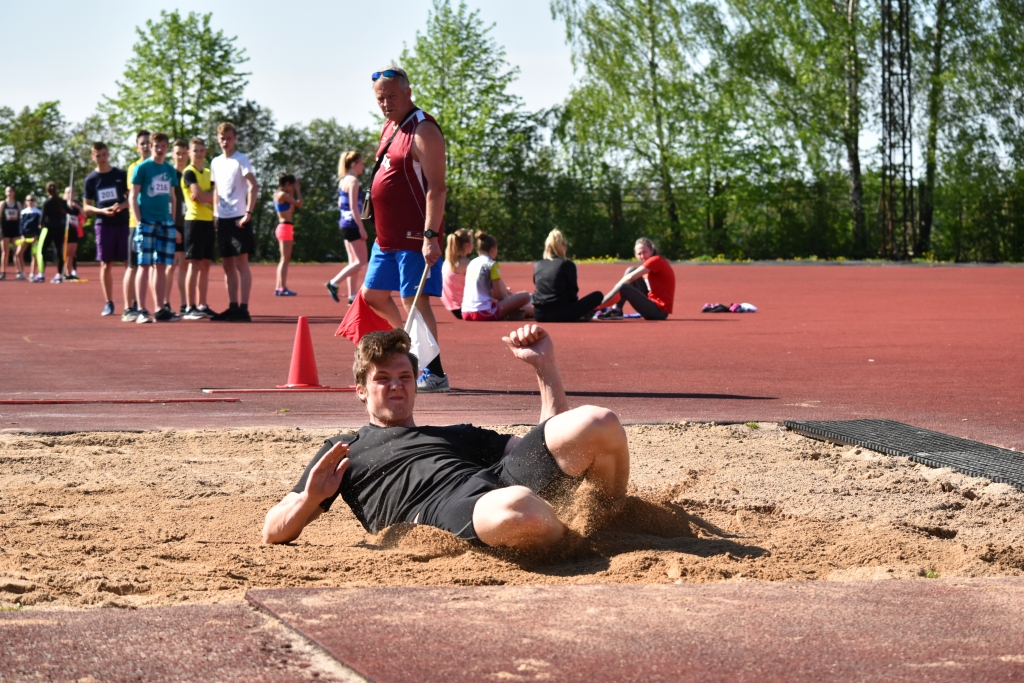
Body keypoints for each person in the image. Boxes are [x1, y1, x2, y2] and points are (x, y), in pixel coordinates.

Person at [262, 324, 631, 551]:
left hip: (494, 481)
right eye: (382, 378)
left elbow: (546, 450)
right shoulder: (345, 449)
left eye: (404, 377)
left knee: (599, 421)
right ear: (360, 390)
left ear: (415, 384)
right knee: (517, 507)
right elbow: (273, 531)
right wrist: (310, 498)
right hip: (433, 511)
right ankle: (577, 542)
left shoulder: (457, 434)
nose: (395, 386)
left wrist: (544, 367)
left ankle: (607, 517)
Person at [360, 66, 450, 392]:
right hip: (386, 236)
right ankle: (413, 347)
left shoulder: (423, 129)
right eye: (380, 98)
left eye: (391, 96)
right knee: (372, 294)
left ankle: (434, 371)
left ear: (408, 92)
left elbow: (437, 188)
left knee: (415, 299)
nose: (385, 103)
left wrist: (430, 235)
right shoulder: (390, 127)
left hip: (414, 234)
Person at [210, 122, 258, 322]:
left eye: (228, 138)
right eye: (222, 138)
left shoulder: (241, 159)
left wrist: (248, 212)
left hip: (239, 218)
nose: (225, 142)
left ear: (234, 139)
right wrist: (215, 213)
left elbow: (253, 185)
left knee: (242, 264)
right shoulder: (215, 162)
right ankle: (232, 306)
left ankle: (244, 309)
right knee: (227, 264)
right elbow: (216, 190)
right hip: (223, 218)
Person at [129, 131, 179, 323]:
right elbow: (133, 196)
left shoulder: (170, 170)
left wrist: (172, 223)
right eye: (156, 146)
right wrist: (139, 219)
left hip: (165, 223)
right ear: (151, 146)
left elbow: (173, 199)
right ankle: (141, 309)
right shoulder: (142, 168)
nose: (159, 149)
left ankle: (160, 309)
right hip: (146, 222)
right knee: (144, 264)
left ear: (167, 148)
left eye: (163, 146)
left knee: (161, 267)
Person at [83, 141, 130, 316]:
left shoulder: (120, 174)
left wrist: (122, 207)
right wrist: (101, 211)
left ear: (108, 154)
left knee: (129, 263)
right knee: (105, 264)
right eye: (97, 155)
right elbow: (86, 206)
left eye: (103, 154)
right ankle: (109, 302)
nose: (101, 158)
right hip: (103, 224)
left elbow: (131, 198)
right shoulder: (90, 179)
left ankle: (130, 303)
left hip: (123, 223)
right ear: (92, 157)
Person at [180, 137, 218, 320]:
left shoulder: (209, 173)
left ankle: (202, 304)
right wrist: (206, 196)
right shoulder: (189, 172)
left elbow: (217, 195)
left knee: (205, 265)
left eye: (201, 150)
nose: (199, 154)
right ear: (190, 153)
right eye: (195, 151)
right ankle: (190, 306)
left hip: (208, 220)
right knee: (194, 265)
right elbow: (199, 194)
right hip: (194, 221)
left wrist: (206, 197)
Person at [532, 229, 603, 323]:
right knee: (598, 295)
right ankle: (581, 316)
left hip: (539, 314)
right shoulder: (567, 264)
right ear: (562, 247)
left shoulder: (538, 264)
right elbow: (572, 292)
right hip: (561, 313)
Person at [597, 237, 675, 321]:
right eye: (639, 254)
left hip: (658, 312)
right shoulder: (652, 263)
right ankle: (617, 310)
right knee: (631, 270)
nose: (642, 256)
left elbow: (630, 278)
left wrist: (616, 288)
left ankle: (594, 308)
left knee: (624, 286)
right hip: (652, 303)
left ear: (652, 250)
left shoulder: (656, 260)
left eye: (645, 252)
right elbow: (631, 275)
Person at [461, 231, 533, 321]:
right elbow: (499, 295)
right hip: (482, 311)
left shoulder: (472, 263)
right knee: (525, 296)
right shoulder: (491, 264)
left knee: (514, 303)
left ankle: (517, 312)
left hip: (465, 311)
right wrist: (509, 296)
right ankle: (535, 311)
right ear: (492, 249)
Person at [326, 152, 368, 304]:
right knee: (362, 262)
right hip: (352, 224)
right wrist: (361, 227)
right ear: (353, 164)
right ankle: (334, 282)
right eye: (361, 163)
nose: (363, 166)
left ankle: (352, 296)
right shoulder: (354, 182)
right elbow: (353, 206)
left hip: (344, 223)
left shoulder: (343, 181)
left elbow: (340, 204)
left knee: (354, 262)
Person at [122, 131, 152, 321]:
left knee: (153, 266)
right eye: (142, 143)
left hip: (156, 223)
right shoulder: (134, 167)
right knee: (134, 265)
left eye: (149, 143)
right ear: (137, 147)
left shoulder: (160, 167)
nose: (146, 146)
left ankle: (156, 306)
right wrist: (139, 218)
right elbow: (132, 195)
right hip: (137, 223)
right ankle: (128, 308)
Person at [164, 139, 189, 314]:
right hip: (172, 224)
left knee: (185, 266)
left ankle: (185, 304)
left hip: (189, 223)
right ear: (172, 154)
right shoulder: (168, 174)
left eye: (183, 153)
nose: (180, 156)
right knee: (170, 265)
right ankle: (165, 303)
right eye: (177, 153)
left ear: (188, 153)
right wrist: (171, 226)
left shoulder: (190, 173)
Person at [273, 173, 303, 296]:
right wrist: (298, 190)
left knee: (284, 259)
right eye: (291, 185)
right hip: (285, 227)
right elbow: (299, 204)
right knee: (285, 260)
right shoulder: (282, 195)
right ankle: (282, 287)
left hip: (285, 227)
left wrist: (292, 192)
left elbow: (292, 209)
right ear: (287, 184)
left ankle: (280, 287)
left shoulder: (280, 194)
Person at [440, 229, 472, 319]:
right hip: (465, 308)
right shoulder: (466, 263)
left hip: (454, 308)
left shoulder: (447, 262)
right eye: (472, 242)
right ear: (466, 245)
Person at [40, 182, 68, 283]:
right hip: (60, 228)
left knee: (43, 250)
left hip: (50, 229)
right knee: (59, 251)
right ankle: (59, 273)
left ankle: (42, 273)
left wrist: (40, 224)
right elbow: (69, 211)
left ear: (47, 191)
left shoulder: (47, 203)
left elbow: (43, 216)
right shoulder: (61, 202)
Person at [17, 196, 42, 281]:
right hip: (25, 236)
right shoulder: (23, 212)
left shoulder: (38, 212)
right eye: (28, 200)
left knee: (34, 255)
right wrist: (22, 235)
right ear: (26, 202)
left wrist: (37, 236)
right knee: (18, 253)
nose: (30, 202)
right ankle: (22, 273)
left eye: (32, 200)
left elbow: (40, 226)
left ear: (35, 201)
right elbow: (20, 225)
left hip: (34, 236)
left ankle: (32, 273)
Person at [1, 187, 23, 280]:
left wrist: (21, 231)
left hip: (15, 231)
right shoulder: (2, 204)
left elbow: (22, 217)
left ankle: (19, 272)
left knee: (16, 252)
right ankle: (3, 272)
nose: (9, 193)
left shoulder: (17, 204)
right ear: (5, 193)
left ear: (14, 193)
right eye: (7, 191)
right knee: (5, 252)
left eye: (11, 191)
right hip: (5, 230)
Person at [62, 187, 83, 280]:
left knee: (71, 253)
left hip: (74, 230)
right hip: (64, 231)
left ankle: (70, 272)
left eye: (72, 192)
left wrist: (78, 207)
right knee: (64, 253)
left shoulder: (76, 205)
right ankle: (64, 271)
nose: (70, 194)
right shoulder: (62, 204)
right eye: (68, 192)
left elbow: (84, 215)